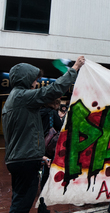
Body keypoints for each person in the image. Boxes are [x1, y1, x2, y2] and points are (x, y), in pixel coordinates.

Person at [2, 56, 85, 213]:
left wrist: (39, 155)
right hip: (25, 161)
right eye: (34, 80)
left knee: (20, 199)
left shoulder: (14, 99)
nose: (36, 83)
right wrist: (74, 68)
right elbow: (53, 90)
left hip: (19, 159)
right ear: (26, 80)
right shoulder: (22, 96)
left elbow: (21, 134)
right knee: (22, 203)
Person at [40, 98, 64, 190]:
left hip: (38, 141)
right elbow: (60, 126)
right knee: (48, 164)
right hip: (49, 142)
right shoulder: (52, 112)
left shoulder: (38, 111)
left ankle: (40, 186)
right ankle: (46, 187)